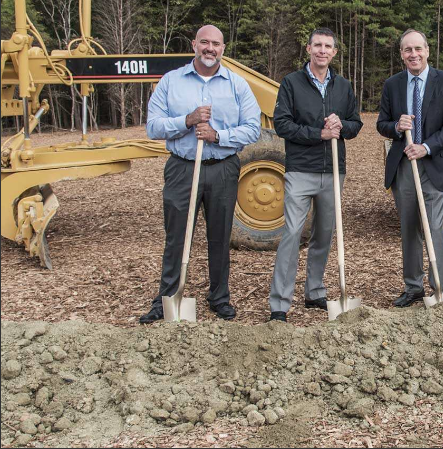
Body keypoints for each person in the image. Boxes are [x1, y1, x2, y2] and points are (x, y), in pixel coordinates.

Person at [141, 24, 261, 324]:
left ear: (223, 48)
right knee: (177, 236)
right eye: (204, 42)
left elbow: (253, 128)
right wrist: (187, 120)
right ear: (194, 44)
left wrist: (218, 136)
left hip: (223, 168)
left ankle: (219, 298)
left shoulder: (237, 85)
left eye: (216, 44)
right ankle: (167, 299)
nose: (210, 48)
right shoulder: (171, 82)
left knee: (220, 236)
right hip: (182, 167)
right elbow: (153, 126)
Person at [268, 27, 363, 323]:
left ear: (334, 52)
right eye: (317, 45)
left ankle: (315, 291)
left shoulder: (343, 87)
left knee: (324, 234)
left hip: (333, 171)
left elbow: (356, 124)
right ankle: (280, 303)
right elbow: (281, 124)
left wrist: (341, 126)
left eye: (328, 46)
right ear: (308, 49)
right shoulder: (292, 83)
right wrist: (318, 134)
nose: (323, 50)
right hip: (300, 170)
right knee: (293, 233)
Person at [376, 29, 443, 307]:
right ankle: (413, 287)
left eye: (418, 49)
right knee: (409, 227)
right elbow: (381, 124)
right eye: (407, 50)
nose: (413, 54)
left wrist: (425, 147)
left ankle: (439, 287)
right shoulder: (392, 84)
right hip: (404, 166)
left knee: (434, 227)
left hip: (434, 164)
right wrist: (396, 126)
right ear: (401, 54)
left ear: (427, 51)